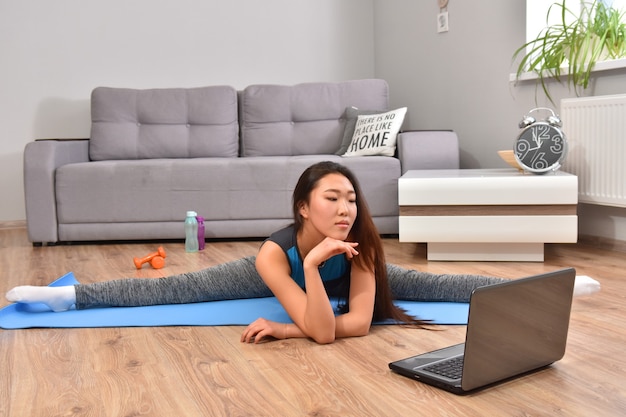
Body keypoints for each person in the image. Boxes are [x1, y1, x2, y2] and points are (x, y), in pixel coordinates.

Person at [5, 161, 598, 344]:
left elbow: (355, 325)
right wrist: (310, 266)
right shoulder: (273, 253)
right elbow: (324, 331)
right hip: (283, 271)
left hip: (322, 284)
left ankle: (562, 284)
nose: (346, 208)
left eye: (351, 198)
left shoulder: (362, 243)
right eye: (332, 199)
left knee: (437, 284)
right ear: (304, 209)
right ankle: (65, 298)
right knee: (170, 288)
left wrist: (287, 329)